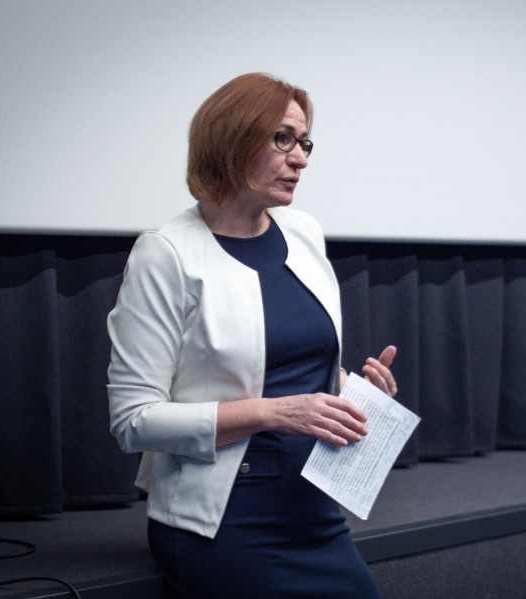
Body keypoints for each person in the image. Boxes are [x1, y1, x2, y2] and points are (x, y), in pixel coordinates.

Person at [106, 72, 396, 598]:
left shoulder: (303, 232)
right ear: (232, 140)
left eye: (305, 142)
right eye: (283, 139)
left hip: (314, 511)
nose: (301, 158)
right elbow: (134, 421)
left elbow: (293, 367)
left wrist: (356, 393)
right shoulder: (167, 254)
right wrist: (272, 412)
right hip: (223, 521)